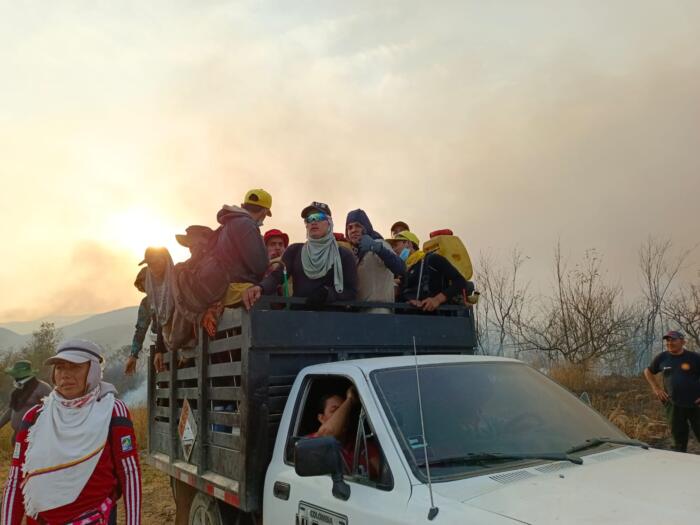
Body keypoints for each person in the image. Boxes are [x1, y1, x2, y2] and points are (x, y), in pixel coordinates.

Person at [1, 340, 141, 524]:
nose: (65, 375)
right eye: (59, 368)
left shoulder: (111, 411)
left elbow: (129, 473)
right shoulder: (35, 418)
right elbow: (15, 479)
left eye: (74, 367)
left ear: (92, 371)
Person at [166, 189, 271, 350]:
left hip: (215, 287)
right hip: (226, 287)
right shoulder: (245, 224)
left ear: (244, 205)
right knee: (264, 295)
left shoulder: (227, 224)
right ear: (264, 212)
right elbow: (259, 265)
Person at [243, 202, 358, 309]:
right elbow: (277, 277)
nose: (313, 222)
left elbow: (351, 292)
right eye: (309, 219)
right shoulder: (295, 251)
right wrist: (260, 287)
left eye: (318, 217)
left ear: (329, 222)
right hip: (299, 319)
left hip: (333, 320)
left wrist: (328, 293)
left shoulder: (343, 255)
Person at [643, 330, 700, 452]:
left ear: (683, 341)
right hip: (673, 405)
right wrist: (656, 388)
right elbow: (648, 371)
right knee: (678, 440)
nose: (670, 342)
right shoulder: (662, 357)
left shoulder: (694, 357)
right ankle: (679, 465)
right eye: (667, 340)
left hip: (696, 404)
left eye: (673, 339)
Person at [387, 231, 471, 312]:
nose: (394, 250)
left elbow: (460, 281)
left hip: (434, 319)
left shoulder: (431, 259)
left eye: (395, 245)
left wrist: (437, 300)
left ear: (408, 243)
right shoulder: (403, 272)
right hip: (408, 319)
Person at [309, 387, 379, 477]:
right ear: (321, 418)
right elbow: (328, 435)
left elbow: (384, 474)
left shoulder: (363, 444)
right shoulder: (310, 442)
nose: (343, 415)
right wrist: (349, 400)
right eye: (335, 411)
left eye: (345, 410)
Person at [345, 209, 405, 310]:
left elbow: (401, 268)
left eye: (358, 226)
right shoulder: (353, 254)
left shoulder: (379, 243)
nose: (353, 230)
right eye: (349, 227)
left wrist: (378, 249)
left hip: (380, 311)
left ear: (366, 227)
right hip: (360, 313)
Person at [139, 246, 174, 373]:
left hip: (184, 341)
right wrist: (159, 350)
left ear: (165, 260)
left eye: (156, 263)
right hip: (167, 344)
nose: (153, 268)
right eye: (150, 265)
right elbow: (161, 321)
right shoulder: (156, 294)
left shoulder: (178, 281)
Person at [0, 361, 51, 445]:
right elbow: (10, 411)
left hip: (33, 437)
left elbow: (51, 410)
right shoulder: (17, 391)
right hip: (17, 436)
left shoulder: (43, 388)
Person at [125, 268, 156, 376]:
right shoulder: (147, 303)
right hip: (163, 347)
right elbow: (140, 330)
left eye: (147, 284)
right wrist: (133, 355)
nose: (146, 289)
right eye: (143, 287)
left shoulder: (173, 292)